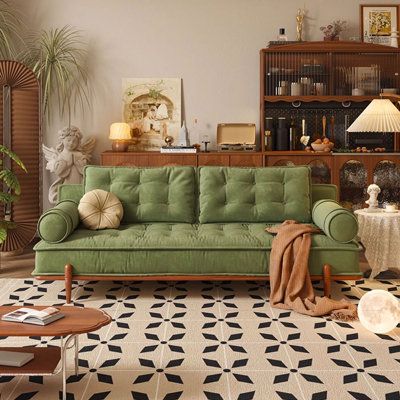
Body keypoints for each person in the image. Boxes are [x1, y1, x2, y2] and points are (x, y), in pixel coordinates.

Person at [43, 126, 95, 204]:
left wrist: (78, 165)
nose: (71, 143)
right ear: (62, 140)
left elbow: (86, 171)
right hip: (66, 184)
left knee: (80, 199)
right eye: (68, 140)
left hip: (80, 183)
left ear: (78, 142)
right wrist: (68, 164)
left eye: (74, 141)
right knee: (67, 199)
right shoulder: (61, 156)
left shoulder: (80, 155)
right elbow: (58, 172)